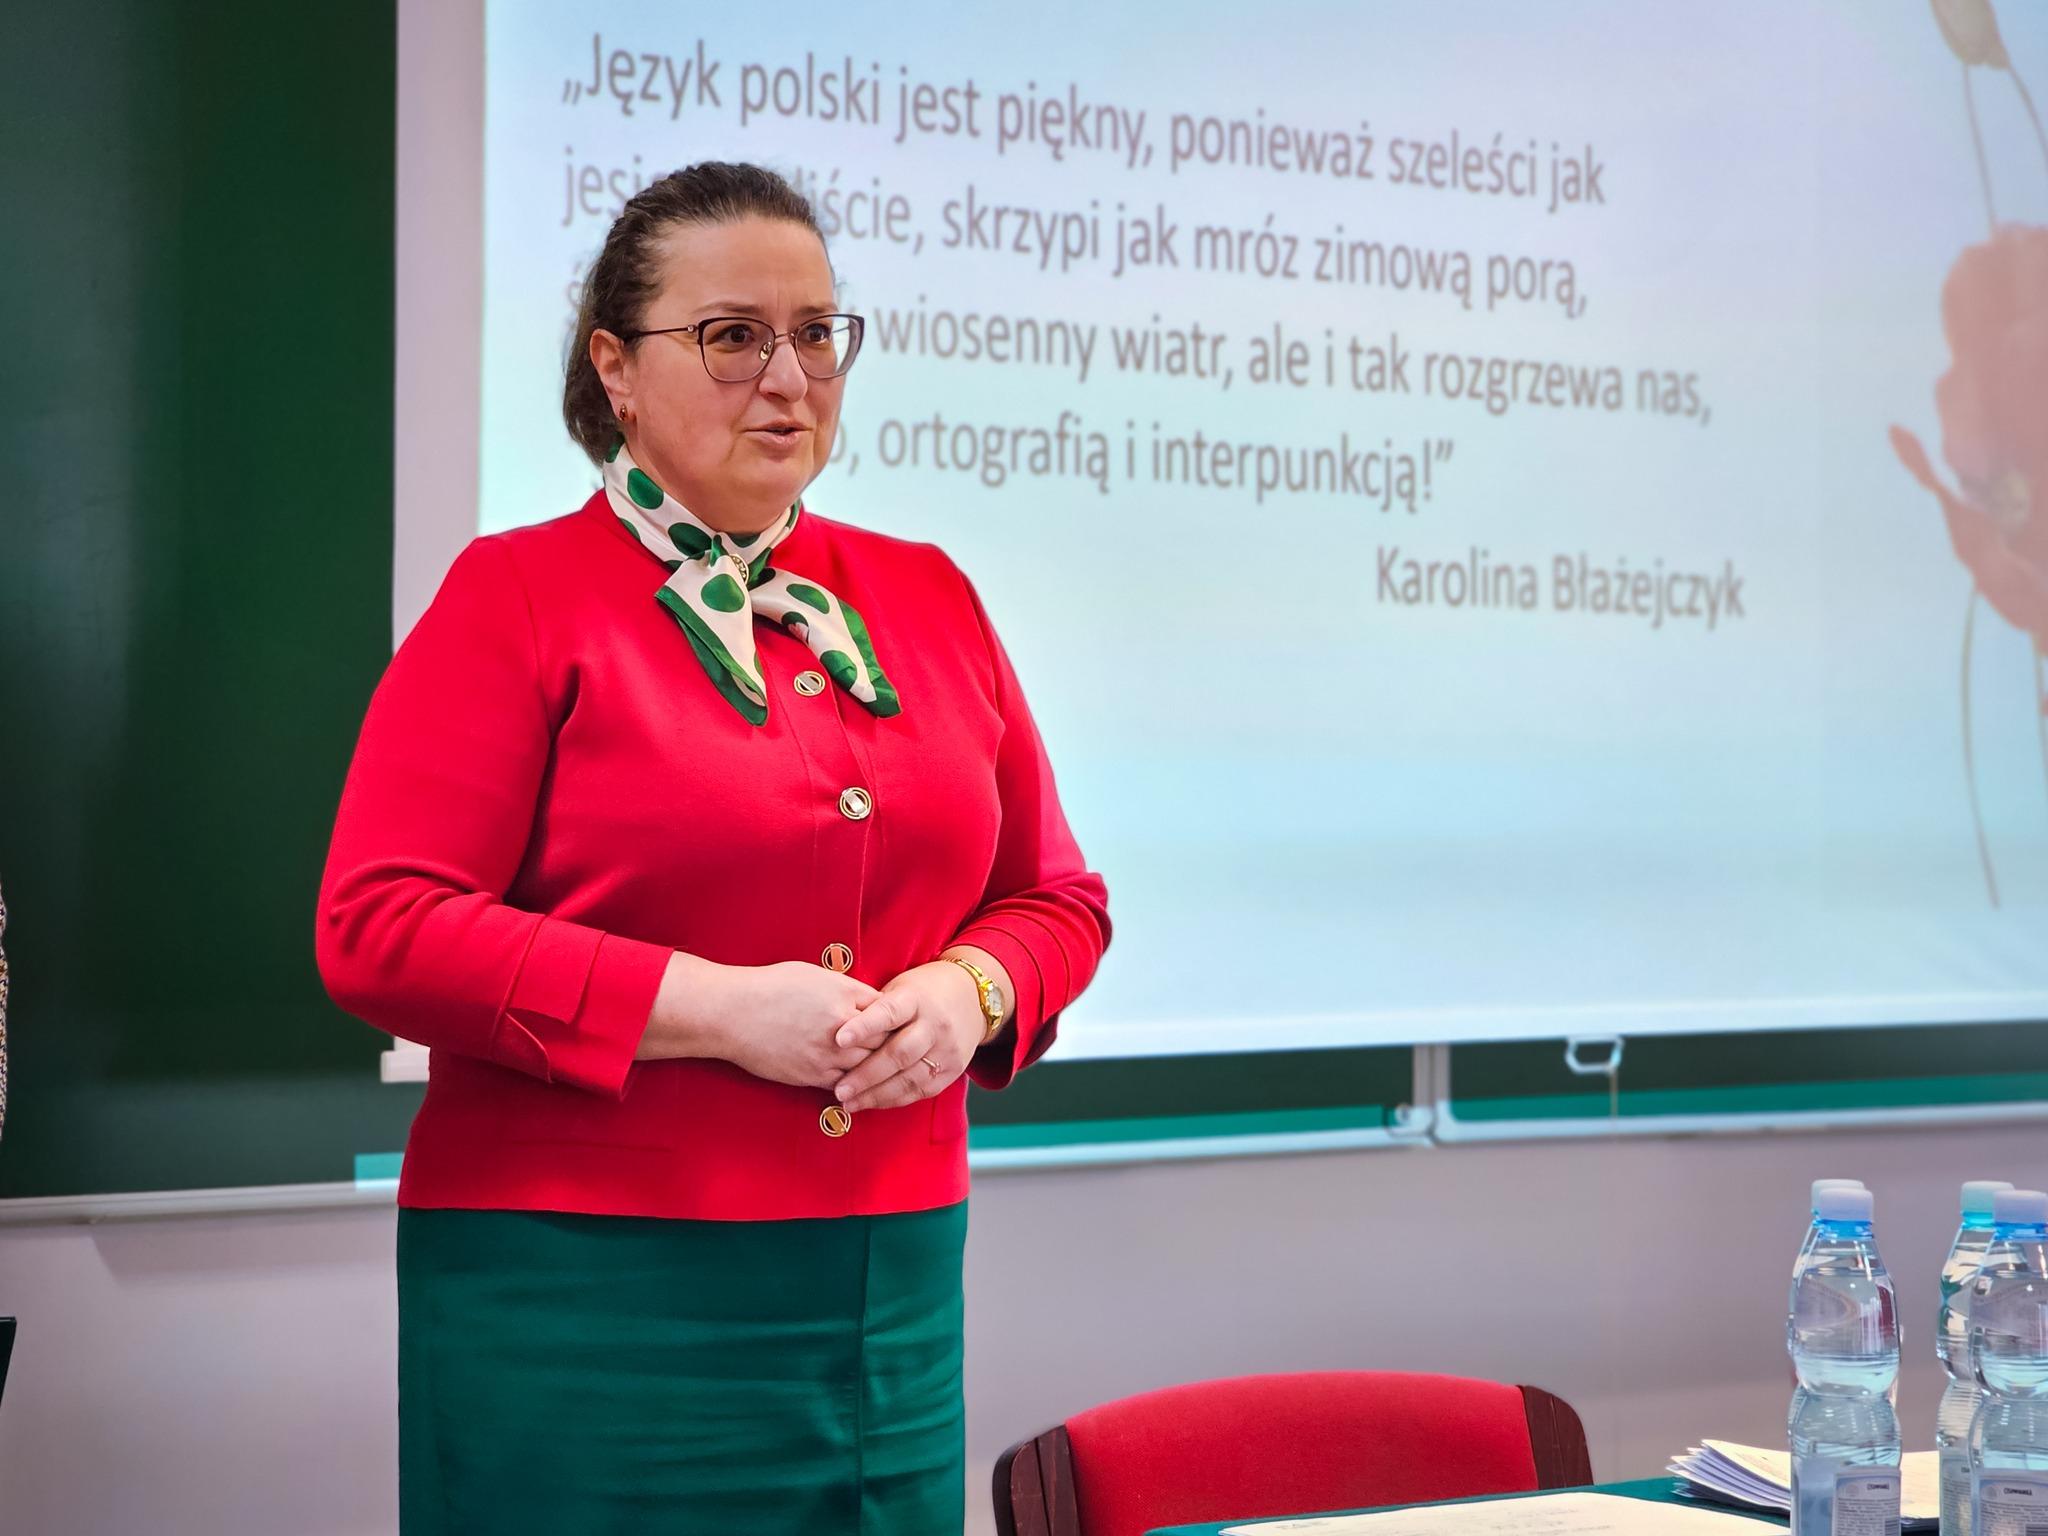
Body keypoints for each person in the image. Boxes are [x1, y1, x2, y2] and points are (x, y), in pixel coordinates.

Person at [315, 161, 1110, 1533]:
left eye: (816, 334)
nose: (788, 378)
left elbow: (1057, 901)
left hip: (887, 1296)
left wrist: (968, 991)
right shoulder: (516, 596)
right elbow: (381, 926)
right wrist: (717, 1011)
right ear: (616, 370)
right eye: (734, 336)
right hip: (580, 1296)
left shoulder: (929, 595)